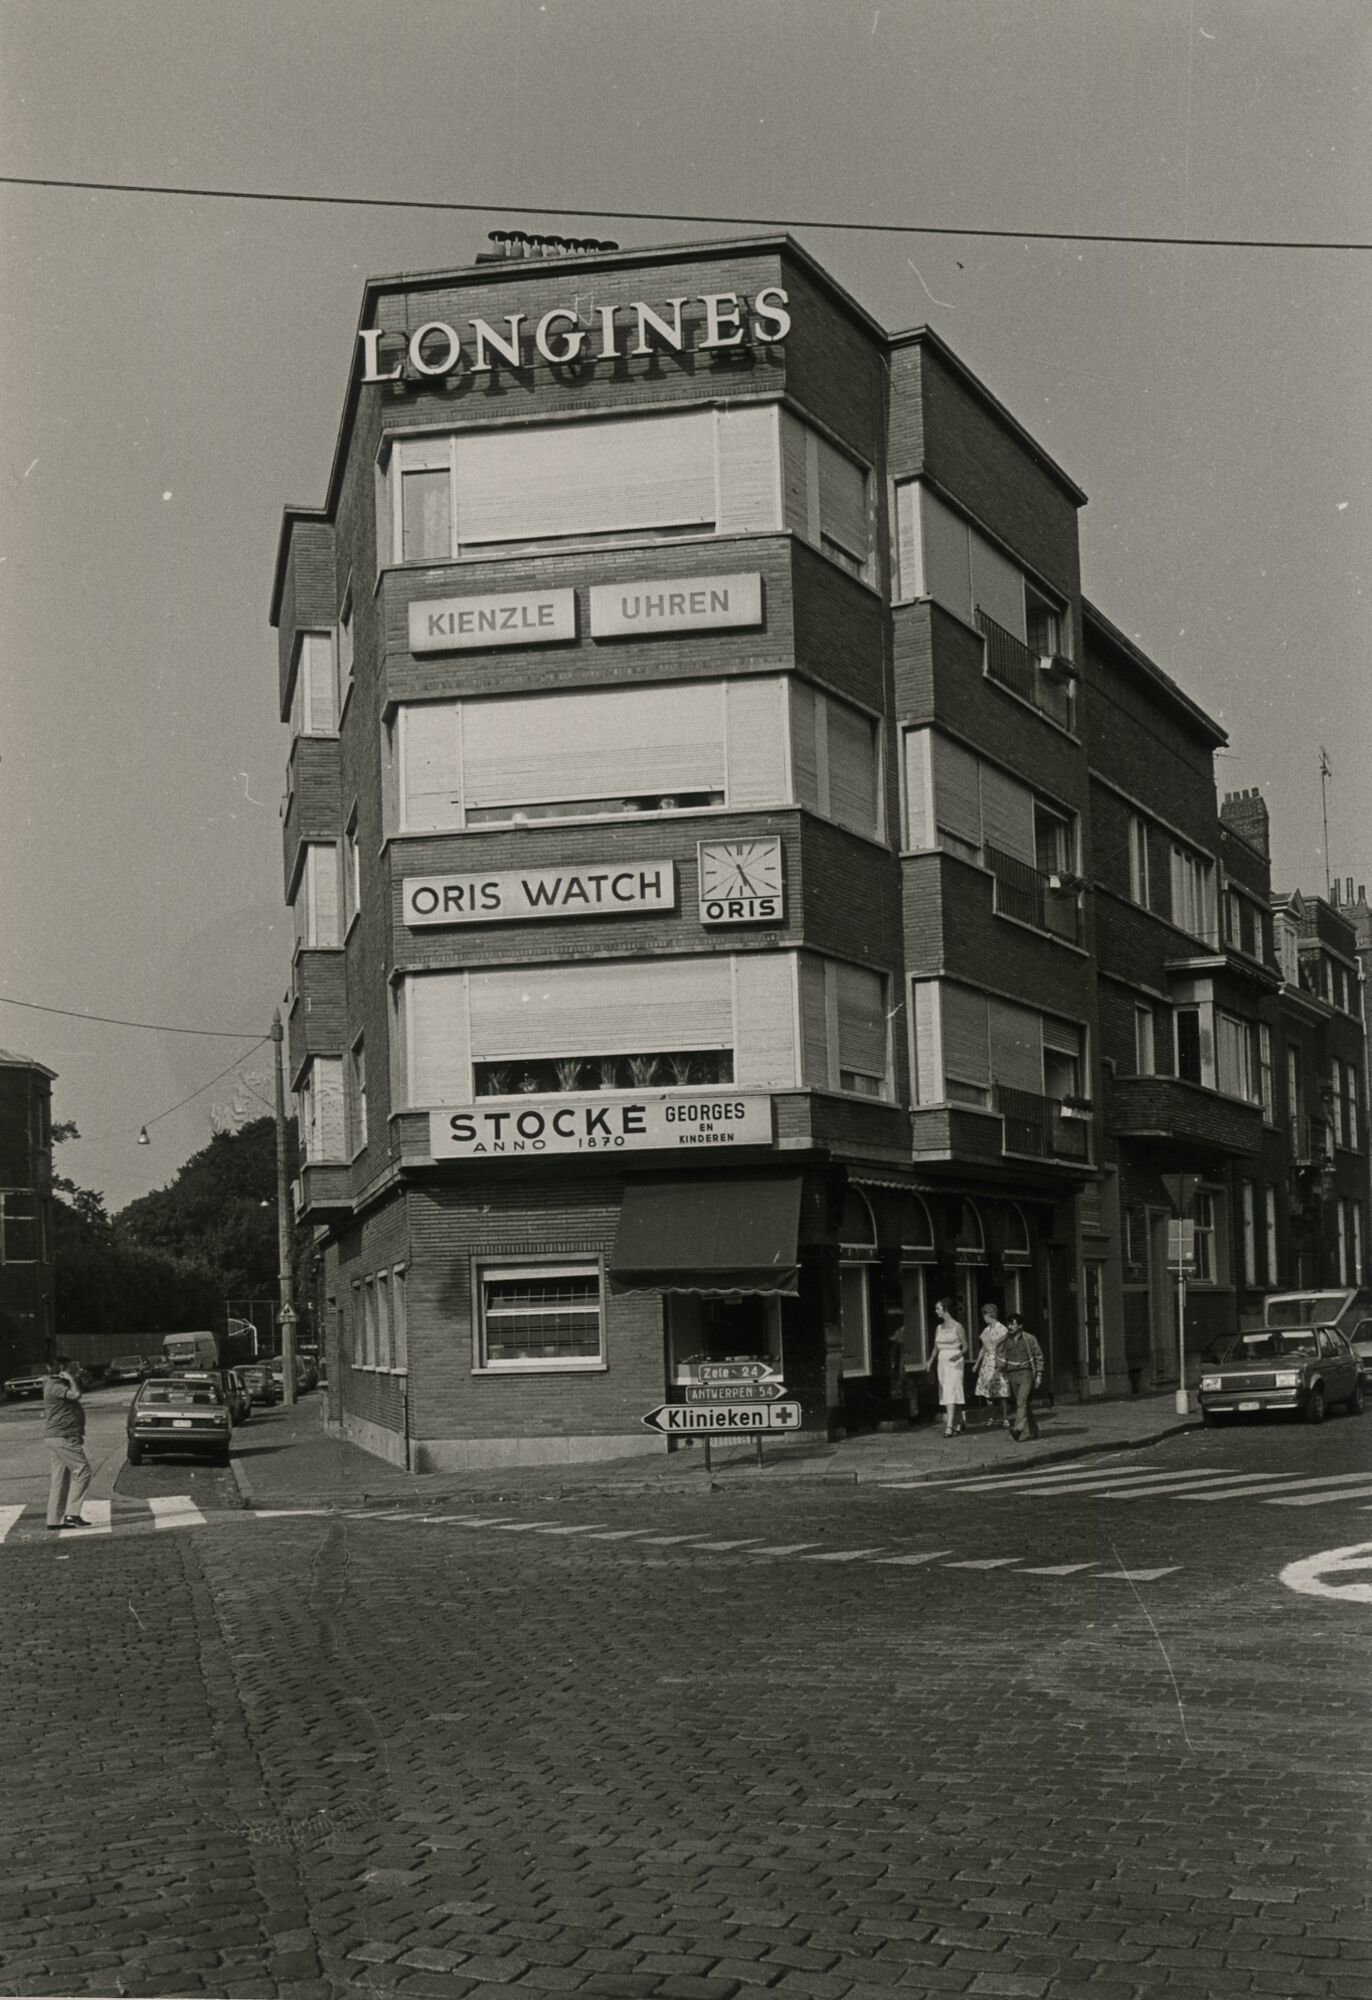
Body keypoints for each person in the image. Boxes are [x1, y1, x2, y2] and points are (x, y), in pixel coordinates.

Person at [43, 1357, 92, 1530]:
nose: (74, 1371)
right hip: (63, 1437)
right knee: (83, 1471)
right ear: (63, 1370)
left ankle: (54, 1520)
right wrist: (71, 1379)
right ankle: (72, 1514)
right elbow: (76, 1394)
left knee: (60, 1480)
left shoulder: (55, 1384)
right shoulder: (56, 1386)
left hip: (57, 1437)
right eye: (71, 1368)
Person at [927, 1298, 969, 1437]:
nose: (936, 1311)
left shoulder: (958, 1326)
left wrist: (958, 1355)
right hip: (942, 1362)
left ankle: (949, 1426)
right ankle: (960, 1422)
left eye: (938, 1309)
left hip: (955, 1362)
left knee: (951, 1390)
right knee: (948, 1391)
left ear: (945, 1309)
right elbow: (935, 1347)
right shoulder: (939, 1328)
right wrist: (930, 1361)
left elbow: (965, 1346)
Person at [1002, 1314, 1046, 1441]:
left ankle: (1018, 1429)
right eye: (1008, 1324)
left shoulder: (1029, 1339)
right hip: (1012, 1374)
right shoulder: (1005, 1340)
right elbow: (1001, 1355)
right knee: (1023, 1403)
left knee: (1021, 1401)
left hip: (1026, 1373)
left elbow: (1038, 1356)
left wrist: (1039, 1375)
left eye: (1012, 1324)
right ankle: (1033, 1430)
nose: (1009, 1327)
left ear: (1020, 1325)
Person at [973, 1303, 1011, 1429]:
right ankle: (991, 1416)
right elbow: (983, 1348)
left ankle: (1005, 1417)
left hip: (998, 1361)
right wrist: (977, 1363)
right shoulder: (986, 1330)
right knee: (987, 1391)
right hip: (987, 1362)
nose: (983, 1318)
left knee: (1001, 1390)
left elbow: (1004, 1346)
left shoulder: (1002, 1329)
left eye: (985, 1315)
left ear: (990, 1315)